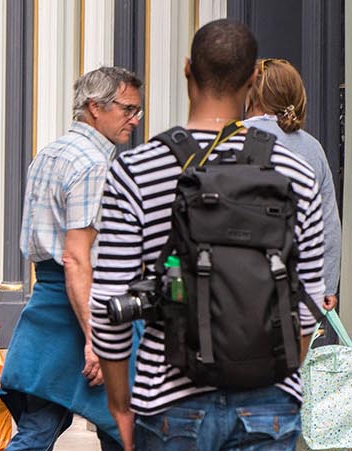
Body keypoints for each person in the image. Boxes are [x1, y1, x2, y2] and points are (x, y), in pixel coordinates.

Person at [90, 20, 327, 451]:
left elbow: (109, 301)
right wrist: (276, 376)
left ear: (187, 71)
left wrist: (120, 404)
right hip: (269, 404)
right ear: (254, 77)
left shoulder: (137, 169)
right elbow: (309, 300)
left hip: (169, 402)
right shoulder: (296, 171)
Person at [1, 67, 143, 451]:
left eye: (137, 111)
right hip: (86, 305)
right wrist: (97, 339)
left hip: (50, 303)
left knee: (39, 429)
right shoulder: (94, 165)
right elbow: (77, 259)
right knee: (124, 429)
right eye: (128, 109)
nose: (135, 119)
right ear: (95, 107)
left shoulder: (50, 152)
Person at [245, 58, 341, 311]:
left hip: (236, 284)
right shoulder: (312, 149)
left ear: (250, 94)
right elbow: (328, 226)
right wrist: (328, 286)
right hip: (297, 288)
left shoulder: (229, 139)